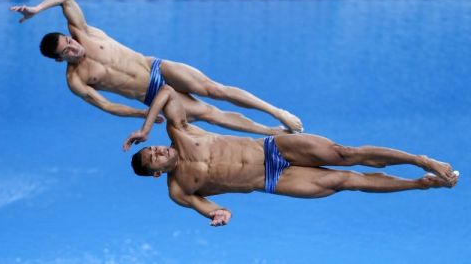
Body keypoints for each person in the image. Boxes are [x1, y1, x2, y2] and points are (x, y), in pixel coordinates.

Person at [123, 85, 459, 227]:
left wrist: (144, 126)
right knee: (344, 181)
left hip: (272, 148)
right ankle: (420, 183)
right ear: (156, 172)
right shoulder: (178, 189)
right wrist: (220, 213)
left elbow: (166, 91)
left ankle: (422, 160)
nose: (157, 150)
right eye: (154, 157)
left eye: (152, 147)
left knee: (346, 153)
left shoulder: (180, 133)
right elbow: (208, 207)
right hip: (273, 179)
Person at [10, 0, 303, 135]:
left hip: (156, 68)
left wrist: (36, 8)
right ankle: (273, 131)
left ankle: (277, 112)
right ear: (60, 59)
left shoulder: (83, 32)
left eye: (68, 41)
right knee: (211, 115)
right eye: (67, 51)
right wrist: (143, 113)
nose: (74, 46)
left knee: (214, 90)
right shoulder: (76, 81)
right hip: (150, 96)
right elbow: (108, 106)